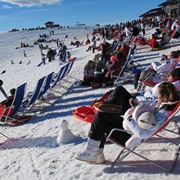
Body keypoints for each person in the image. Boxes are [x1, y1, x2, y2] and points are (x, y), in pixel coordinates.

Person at [75, 83, 179, 164]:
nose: (156, 95)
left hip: (129, 134)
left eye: (158, 94)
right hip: (134, 117)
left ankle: (92, 152)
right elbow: (148, 115)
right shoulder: (165, 105)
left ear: (164, 96)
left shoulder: (162, 113)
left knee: (101, 116)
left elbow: (143, 134)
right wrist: (137, 106)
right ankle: (97, 154)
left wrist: (129, 117)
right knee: (120, 90)